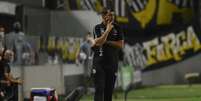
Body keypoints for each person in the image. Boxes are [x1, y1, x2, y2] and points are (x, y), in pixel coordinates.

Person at [92, 8, 124, 101]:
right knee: (99, 88)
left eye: (113, 15)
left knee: (109, 91)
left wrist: (106, 41)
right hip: (99, 63)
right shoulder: (97, 28)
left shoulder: (118, 28)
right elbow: (98, 42)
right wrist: (107, 31)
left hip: (112, 63)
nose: (112, 17)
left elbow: (120, 44)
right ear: (103, 16)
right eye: (109, 15)